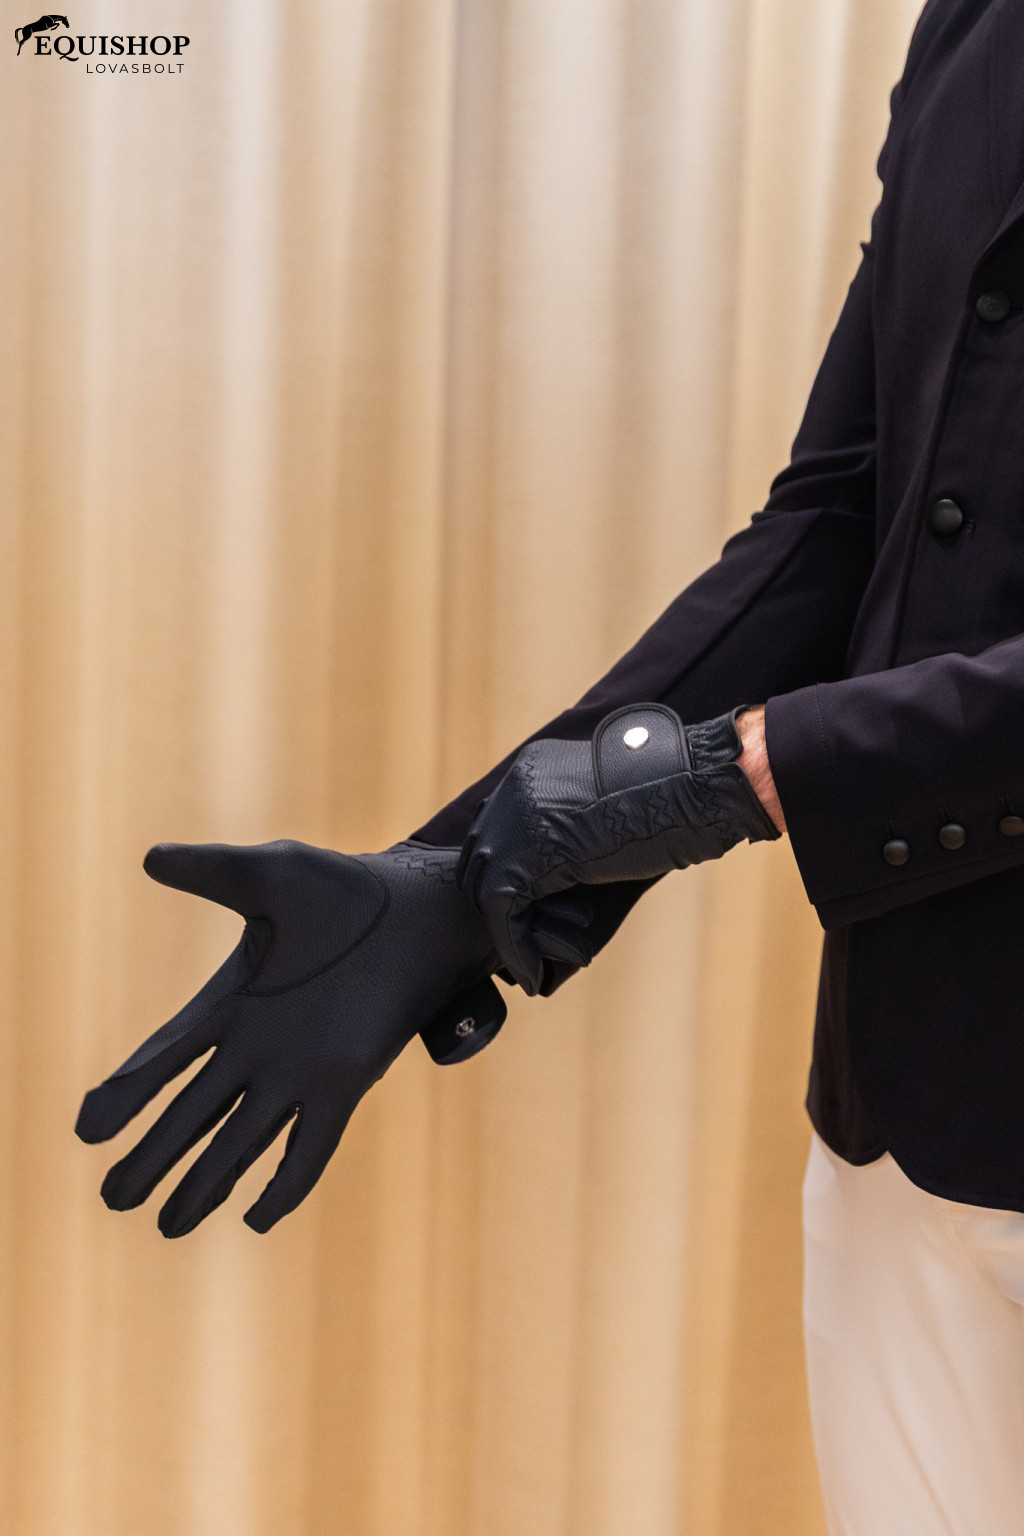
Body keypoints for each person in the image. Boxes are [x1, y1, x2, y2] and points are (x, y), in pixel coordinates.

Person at [76, 0, 1024, 1527]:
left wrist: (747, 770)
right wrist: (453, 880)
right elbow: (844, 515)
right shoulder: (970, 25)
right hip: (910, 1113)